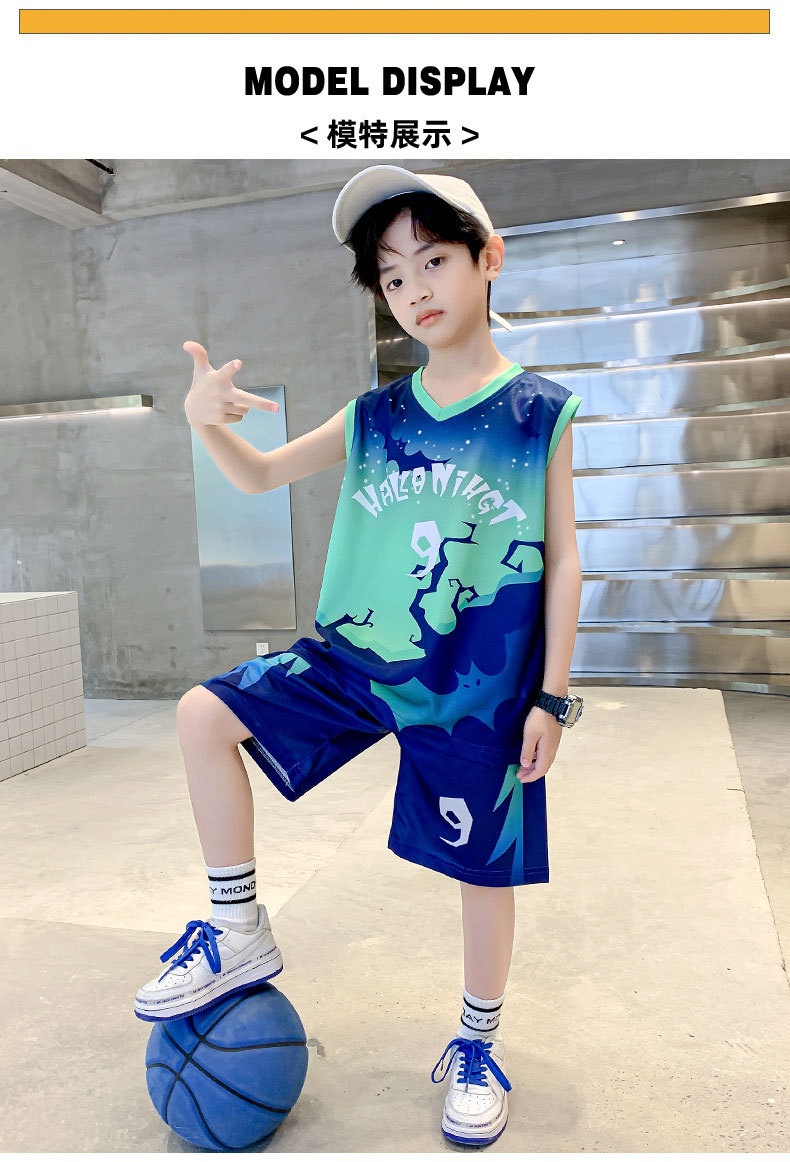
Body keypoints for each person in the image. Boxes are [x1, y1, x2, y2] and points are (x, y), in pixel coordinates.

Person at [133, 164, 584, 1148]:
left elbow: (562, 560)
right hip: (354, 658)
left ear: (488, 258)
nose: (415, 288)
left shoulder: (536, 413)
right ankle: (237, 927)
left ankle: (476, 1044)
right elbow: (259, 475)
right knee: (203, 714)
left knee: (485, 871)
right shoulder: (374, 417)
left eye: (433, 260)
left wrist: (552, 698)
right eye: (392, 276)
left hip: (474, 684)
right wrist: (205, 424)